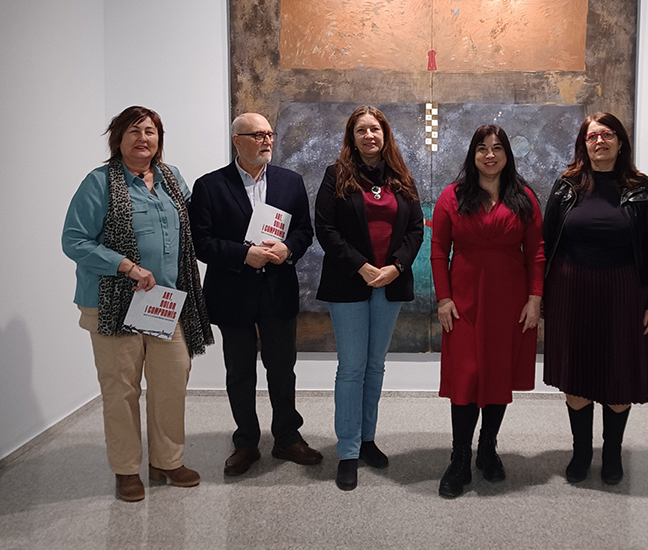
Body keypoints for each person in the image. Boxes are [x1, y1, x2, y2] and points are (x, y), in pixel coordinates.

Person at [62, 106, 213, 502]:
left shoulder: (171, 178)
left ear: (159, 139)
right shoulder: (99, 182)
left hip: (164, 303)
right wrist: (125, 266)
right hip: (111, 304)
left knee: (171, 383)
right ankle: (127, 470)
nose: (143, 138)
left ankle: (167, 461)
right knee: (121, 390)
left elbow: (199, 222)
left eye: (150, 131)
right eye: (134, 131)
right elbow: (74, 240)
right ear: (119, 139)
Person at [189, 112, 321, 477]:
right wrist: (243, 255)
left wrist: (288, 249)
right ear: (237, 141)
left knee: (282, 370)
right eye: (257, 135)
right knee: (240, 371)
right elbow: (201, 242)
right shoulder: (210, 186)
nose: (267, 140)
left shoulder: (290, 182)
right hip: (233, 291)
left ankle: (287, 437)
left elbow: (304, 231)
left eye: (269, 134)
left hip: (278, 290)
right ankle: (246, 441)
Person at [542, 112, 648, 485]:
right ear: (584, 144)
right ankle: (581, 453)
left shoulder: (641, 187)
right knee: (576, 375)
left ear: (620, 142)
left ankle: (612, 454)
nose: (600, 142)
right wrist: (542, 296)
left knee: (619, 375)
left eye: (608, 135)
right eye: (593, 136)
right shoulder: (566, 185)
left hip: (625, 291)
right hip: (571, 291)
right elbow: (547, 242)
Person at [431, 124, 545, 499]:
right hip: (462, 304)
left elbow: (536, 252)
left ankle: (487, 448)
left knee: (497, 375)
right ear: (473, 155)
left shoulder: (524, 198)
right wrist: (444, 299)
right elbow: (438, 250)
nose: (490, 155)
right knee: (466, 378)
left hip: (509, 304)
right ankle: (459, 457)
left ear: (507, 154)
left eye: (497, 148)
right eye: (482, 148)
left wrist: (535, 298)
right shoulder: (452, 196)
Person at [314, 106, 424, 491]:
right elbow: (325, 228)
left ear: (385, 134)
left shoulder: (402, 177)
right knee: (351, 368)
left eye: (374, 129)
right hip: (349, 282)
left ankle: (366, 440)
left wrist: (396, 267)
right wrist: (361, 267)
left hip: (389, 283)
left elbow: (415, 230)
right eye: (361, 130)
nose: (369, 136)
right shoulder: (336, 175)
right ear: (352, 137)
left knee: (375, 366)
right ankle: (347, 451)